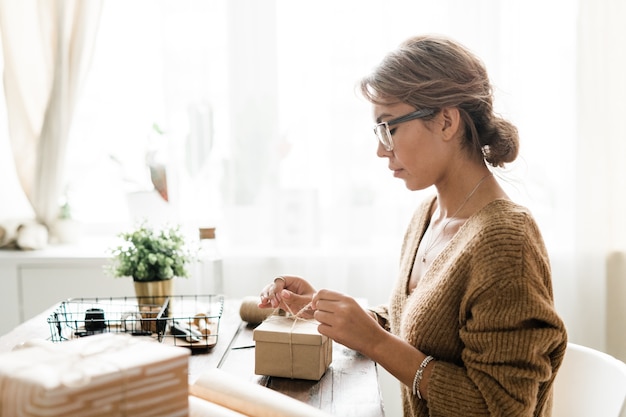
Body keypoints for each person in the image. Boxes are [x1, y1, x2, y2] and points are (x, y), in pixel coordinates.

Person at [259, 34, 567, 417]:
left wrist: (375, 342)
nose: (380, 148)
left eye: (389, 127)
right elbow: (420, 326)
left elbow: (501, 410)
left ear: (447, 121)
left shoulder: (507, 241)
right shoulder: (428, 215)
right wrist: (332, 313)